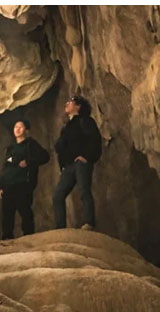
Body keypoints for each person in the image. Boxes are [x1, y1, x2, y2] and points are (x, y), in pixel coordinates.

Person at [52, 94, 103, 230]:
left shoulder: (85, 121)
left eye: (71, 102)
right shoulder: (66, 127)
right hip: (68, 166)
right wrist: (62, 164)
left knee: (84, 191)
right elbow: (62, 148)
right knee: (58, 195)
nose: (67, 103)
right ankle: (60, 227)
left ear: (79, 106)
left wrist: (87, 157)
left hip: (81, 163)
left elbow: (95, 140)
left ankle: (88, 223)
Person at [0, 119, 50, 238]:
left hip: (23, 183)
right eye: (16, 127)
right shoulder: (10, 149)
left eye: (21, 127)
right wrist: (0, 186)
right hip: (8, 185)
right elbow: (5, 168)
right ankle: (7, 238)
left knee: (25, 210)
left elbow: (45, 156)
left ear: (26, 131)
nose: (17, 129)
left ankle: (28, 235)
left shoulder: (31, 144)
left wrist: (28, 162)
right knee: (7, 213)